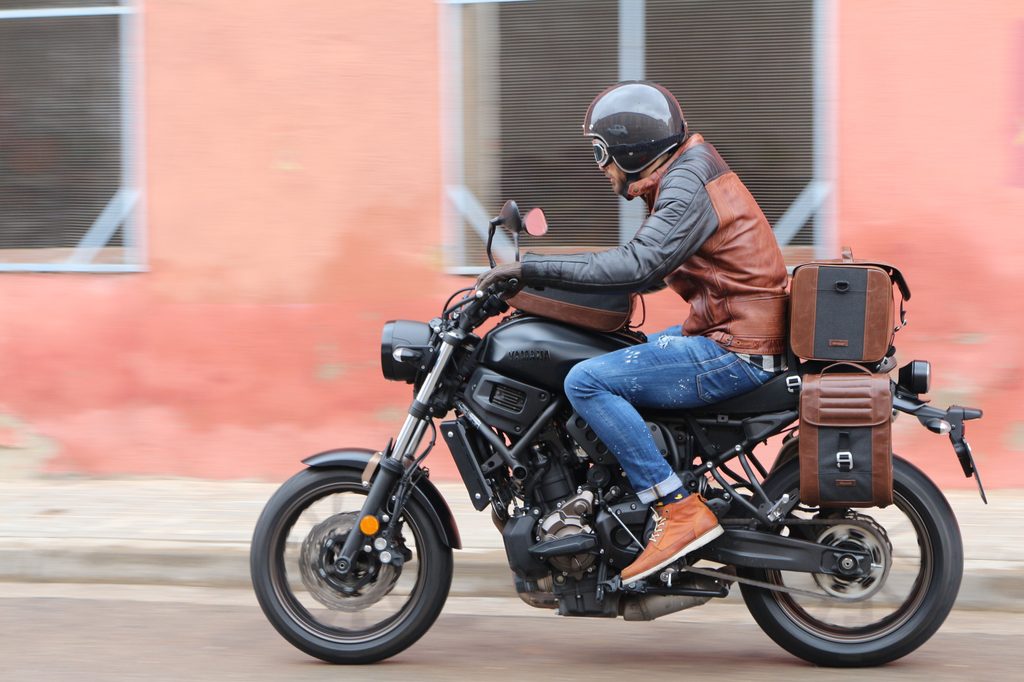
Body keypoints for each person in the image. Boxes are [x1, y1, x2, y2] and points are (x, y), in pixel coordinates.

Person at [475, 81, 789, 584]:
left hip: (737, 347)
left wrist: (530, 269)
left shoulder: (688, 182)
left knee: (586, 381)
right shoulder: (688, 171)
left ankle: (676, 508)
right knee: (625, 350)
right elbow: (650, 266)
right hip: (730, 331)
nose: (601, 167)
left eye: (601, 153)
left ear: (630, 150)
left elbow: (639, 266)